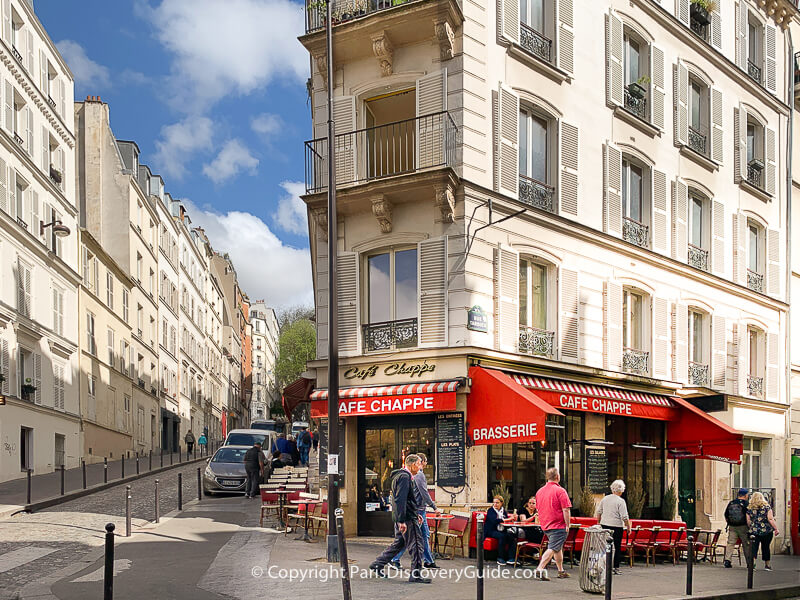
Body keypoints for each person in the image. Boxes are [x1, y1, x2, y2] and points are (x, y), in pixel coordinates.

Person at [369, 454, 431, 584]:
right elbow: (400, 500)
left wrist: (415, 513)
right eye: (419, 464)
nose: (421, 467)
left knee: (399, 544)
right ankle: (416, 574)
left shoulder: (402, 476)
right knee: (417, 546)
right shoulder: (404, 477)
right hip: (407, 519)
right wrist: (402, 520)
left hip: (406, 516)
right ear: (413, 464)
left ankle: (377, 564)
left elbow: (405, 500)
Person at [391, 453, 440, 569]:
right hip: (417, 510)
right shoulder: (416, 475)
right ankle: (394, 559)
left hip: (416, 511)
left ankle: (427, 561)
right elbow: (423, 493)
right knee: (414, 537)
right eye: (423, 462)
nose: (425, 464)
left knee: (422, 536)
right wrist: (434, 507)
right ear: (418, 463)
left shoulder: (410, 475)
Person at [533, 467, 572, 580]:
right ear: (557, 477)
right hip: (558, 524)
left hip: (545, 524)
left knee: (557, 547)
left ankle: (561, 570)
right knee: (553, 547)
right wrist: (567, 524)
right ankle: (540, 569)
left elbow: (538, 509)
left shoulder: (539, 491)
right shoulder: (560, 491)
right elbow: (566, 509)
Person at [596, 480, 631, 575]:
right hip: (616, 526)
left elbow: (599, 512)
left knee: (605, 546)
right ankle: (615, 567)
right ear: (621, 490)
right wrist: (628, 527)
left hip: (605, 524)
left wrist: (598, 522)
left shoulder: (605, 499)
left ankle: (603, 565)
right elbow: (624, 516)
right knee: (617, 546)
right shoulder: (621, 501)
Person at [747, 491, 779, 571]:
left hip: (754, 531)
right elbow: (770, 519)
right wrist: (775, 528)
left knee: (754, 548)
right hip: (766, 531)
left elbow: (748, 520)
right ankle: (767, 565)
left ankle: (753, 565)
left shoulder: (749, 508)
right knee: (766, 547)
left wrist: (752, 527)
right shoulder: (767, 507)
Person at [484, 495, 518, 565]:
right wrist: (508, 519)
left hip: (502, 530)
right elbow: (494, 521)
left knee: (511, 536)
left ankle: (511, 558)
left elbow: (506, 521)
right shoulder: (490, 510)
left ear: (501, 503)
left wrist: (512, 520)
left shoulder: (503, 511)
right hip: (491, 531)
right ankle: (500, 558)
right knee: (502, 536)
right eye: (494, 503)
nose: (495, 504)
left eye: (497, 503)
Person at [723, 488, 750, 568]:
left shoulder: (731, 503)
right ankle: (749, 562)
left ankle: (727, 560)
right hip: (743, 526)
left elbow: (726, 514)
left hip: (732, 526)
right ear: (745, 495)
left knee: (730, 543)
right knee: (746, 544)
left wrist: (729, 523)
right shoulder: (746, 503)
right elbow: (748, 515)